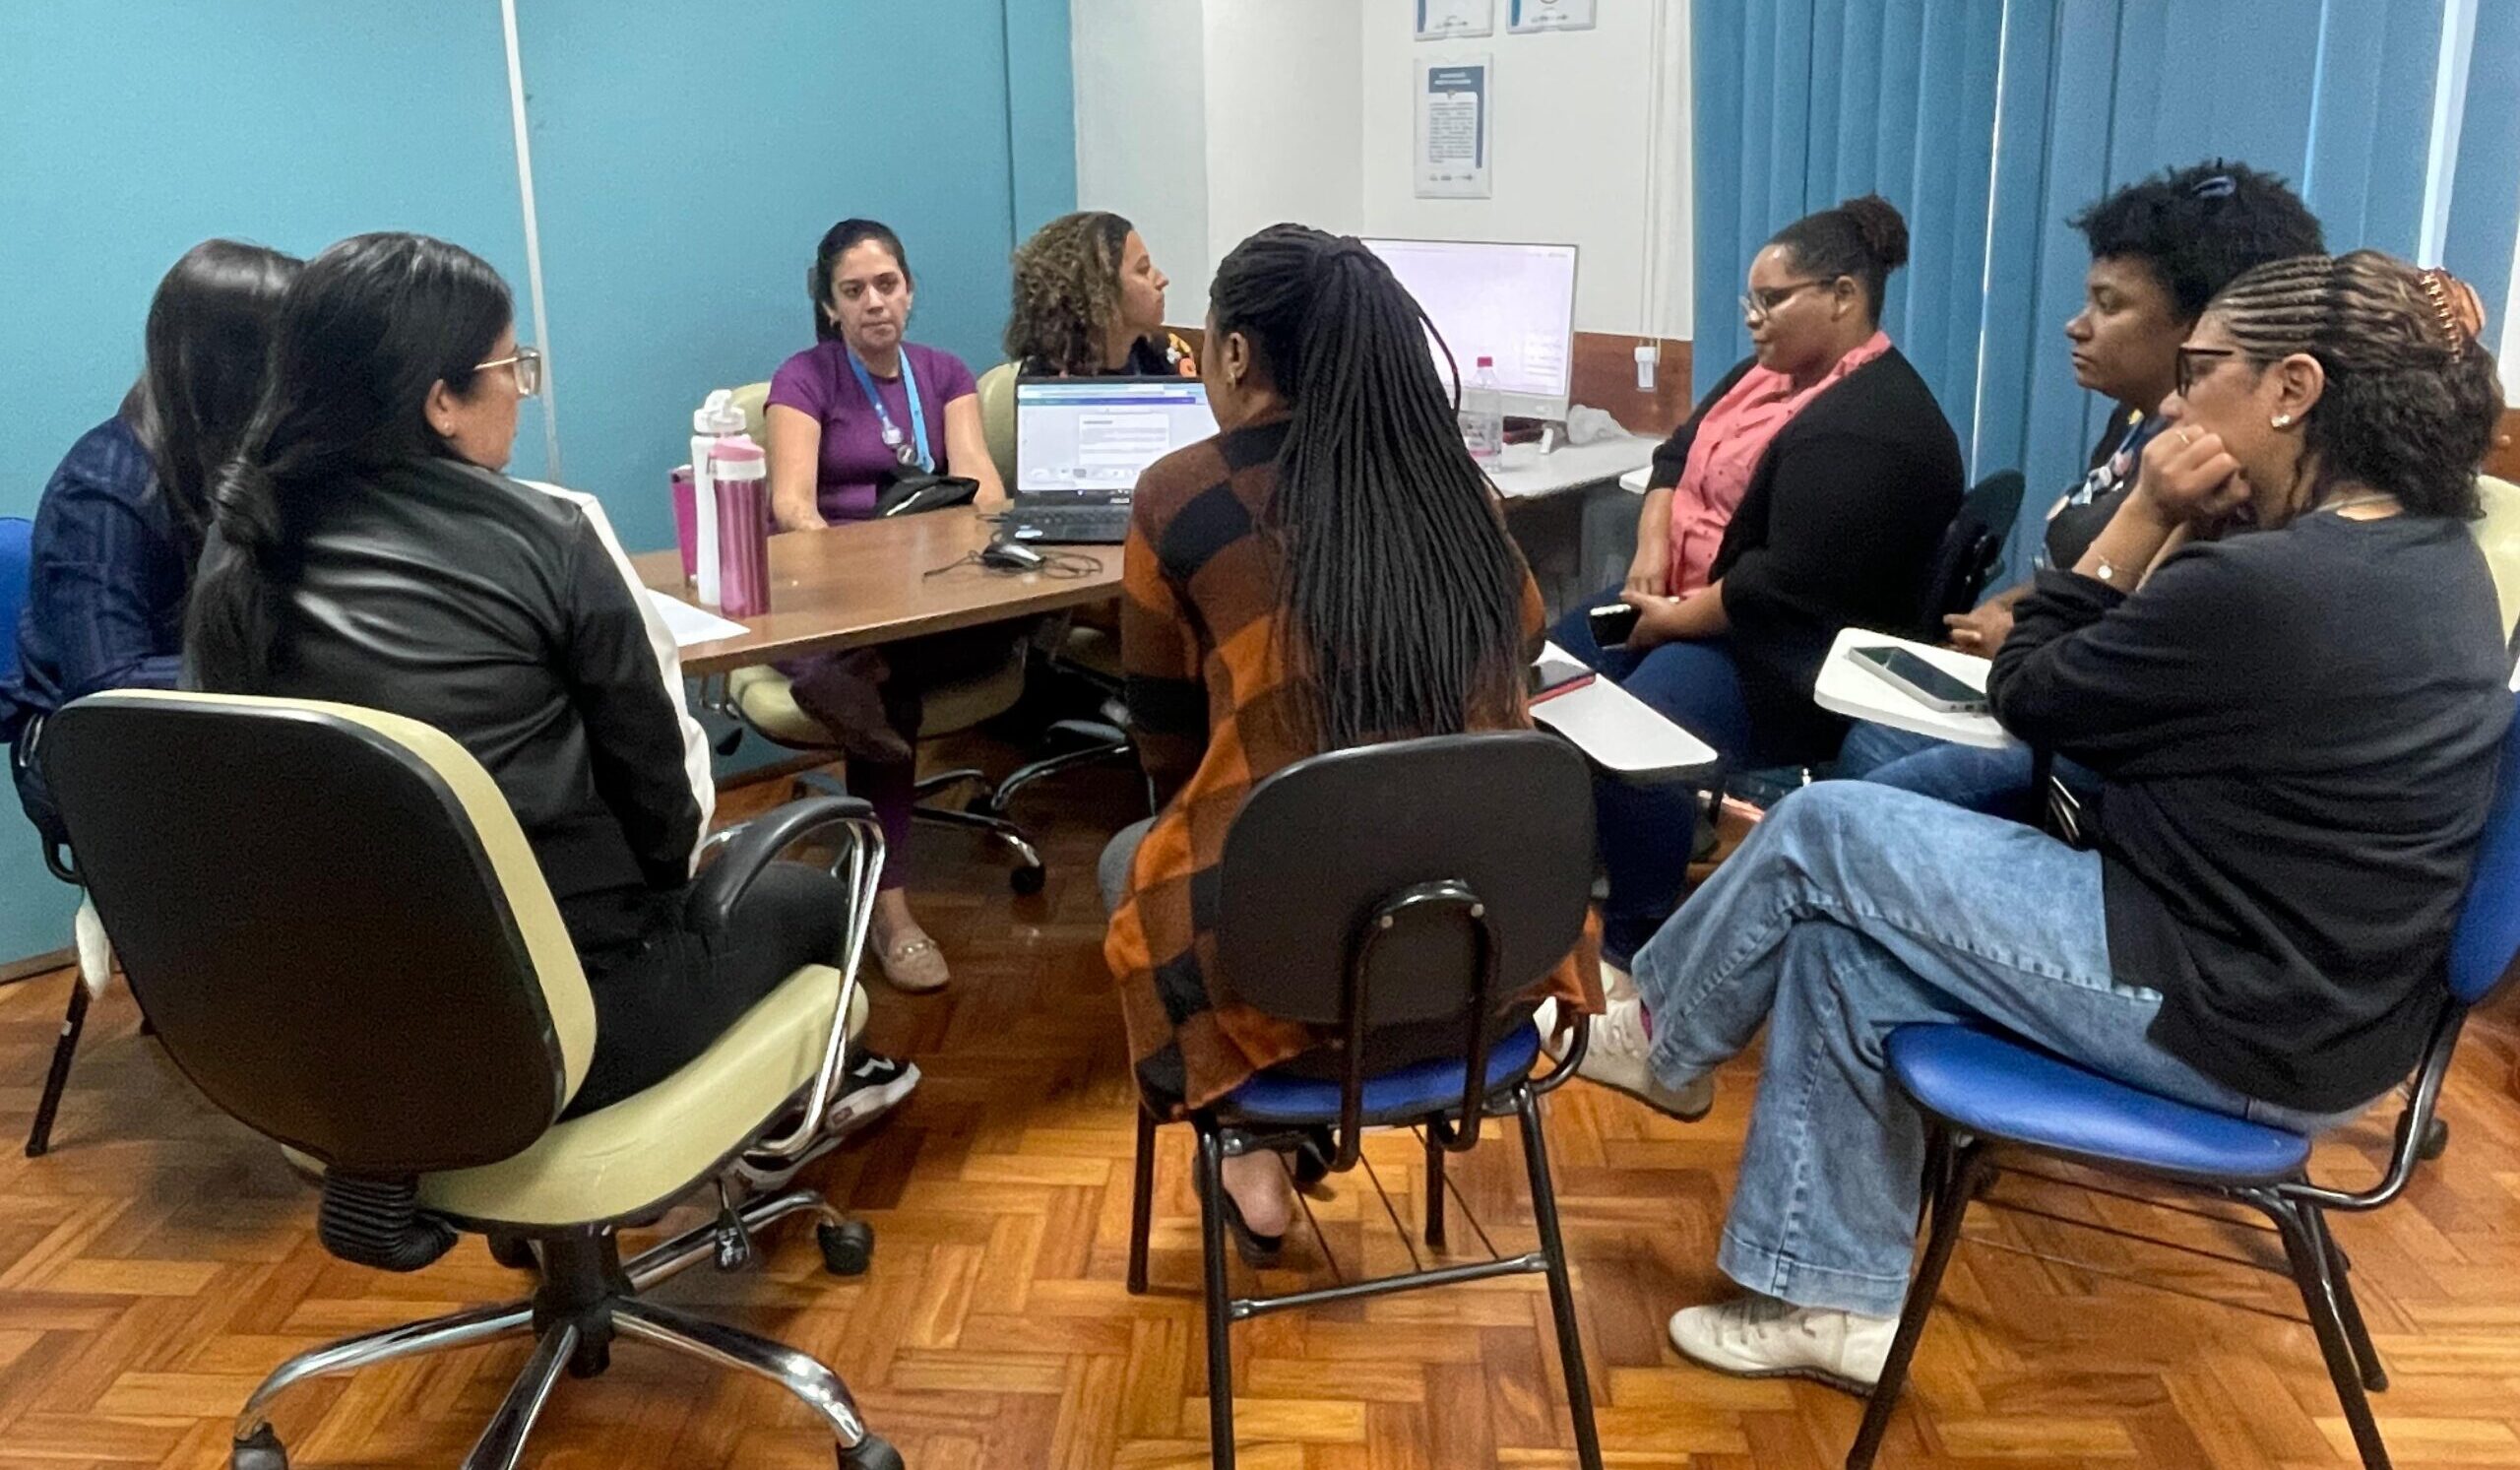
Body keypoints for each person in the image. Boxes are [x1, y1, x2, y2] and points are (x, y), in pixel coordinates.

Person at [1572, 251, 2509, 1393]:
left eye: (2200, 368)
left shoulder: (2277, 587)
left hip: (2236, 1012)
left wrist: (2146, 513)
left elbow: (2035, 690)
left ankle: (1662, 1035)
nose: (2170, 400)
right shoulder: (2426, 555)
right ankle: (1828, 1299)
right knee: (1839, 943)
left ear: (2291, 389)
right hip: (2313, 1002)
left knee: (1828, 831)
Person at [186, 231, 916, 1150]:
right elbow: (667, 815)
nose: (521, 393)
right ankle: (766, 1147)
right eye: (511, 366)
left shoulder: (243, 546)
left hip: (334, 1040)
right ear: (441, 401)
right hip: (557, 1025)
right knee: (819, 897)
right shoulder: (549, 536)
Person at [1101, 224, 1604, 1264]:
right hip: (1488, 982)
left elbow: (1158, 741)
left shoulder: (1178, 497)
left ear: (1235, 353)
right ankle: (1275, 1142)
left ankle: (1254, 1147)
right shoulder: (1460, 488)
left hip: (1275, 990)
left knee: (1140, 856)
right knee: (1325, 849)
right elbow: (1523, 638)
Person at [1549, 195, 1964, 967]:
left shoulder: (1873, 423)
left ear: (1844, 296)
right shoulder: (1764, 375)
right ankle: (1590, 855)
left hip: (1780, 653)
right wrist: (1649, 549)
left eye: (1772, 300)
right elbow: (1674, 457)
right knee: (1545, 675)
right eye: (1751, 300)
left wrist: (1664, 622)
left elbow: (1779, 589)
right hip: (1685, 596)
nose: (1753, 317)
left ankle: (1641, 936)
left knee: (1635, 734)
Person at [1838, 160, 2326, 799]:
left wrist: (2030, 636)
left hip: (2087, 733)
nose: (2077, 325)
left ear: (2203, 324)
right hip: (2046, 669)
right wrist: (2010, 607)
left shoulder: (2214, 475)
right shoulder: (2132, 423)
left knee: (1868, 762)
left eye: (2109, 304)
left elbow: (2136, 637)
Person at [761, 219, 1008, 993]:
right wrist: (860, 576)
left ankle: (845, 674)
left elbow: (984, 485)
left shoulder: (945, 372)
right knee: (887, 691)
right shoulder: (803, 377)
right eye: (853, 290)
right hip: (830, 591)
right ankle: (892, 916)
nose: (874, 302)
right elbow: (793, 507)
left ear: (910, 290)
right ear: (830, 305)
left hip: (932, 590)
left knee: (1005, 615)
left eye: (888, 284)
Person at [3, 240, 300, 849]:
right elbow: (109, 686)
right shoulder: (106, 483)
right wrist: (293, 667)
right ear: (241, 364)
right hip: (87, 749)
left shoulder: (269, 461)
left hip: (231, 722)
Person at [1005, 211, 1197, 378]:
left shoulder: (1165, 355)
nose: (1162, 279)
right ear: (1099, 291)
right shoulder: (1048, 379)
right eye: (1143, 269)